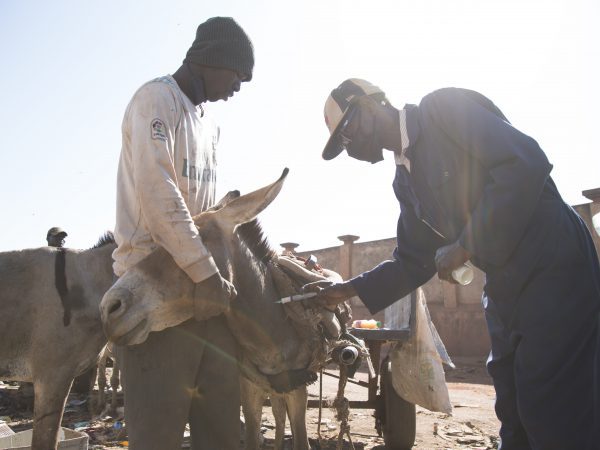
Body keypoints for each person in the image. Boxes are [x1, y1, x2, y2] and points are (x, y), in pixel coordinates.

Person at [309, 78, 600, 450]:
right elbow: (412, 261)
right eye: (342, 144)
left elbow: (524, 161)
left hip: (552, 263)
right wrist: (343, 291)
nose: (349, 147)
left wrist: (465, 245)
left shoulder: (440, 111)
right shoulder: (404, 181)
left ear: (368, 105)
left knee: (552, 403)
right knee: (512, 404)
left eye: (346, 132)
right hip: (504, 282)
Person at [111, 17, 253, 450]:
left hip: (204, 302)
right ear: (212, 60)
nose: (239, 87)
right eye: (237, 74)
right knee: (158, 438)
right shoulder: (156, 99)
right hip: (154, 300)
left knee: (223, 435)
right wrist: (207, 274)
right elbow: (158, 194)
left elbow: (205, 216)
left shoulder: (208, 124)